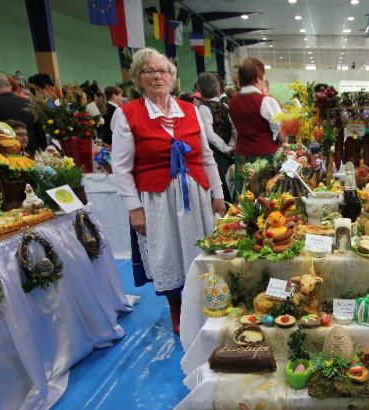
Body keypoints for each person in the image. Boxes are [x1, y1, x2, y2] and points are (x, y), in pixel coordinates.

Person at [111, 47, 226, 335]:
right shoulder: (127, 115)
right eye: (149, 71)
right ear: (139, 77)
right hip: (158, 198)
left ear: (173, 77)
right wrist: (134, 209)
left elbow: (206, 155)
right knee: (169, 255)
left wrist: (218, 193)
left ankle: (209, 305)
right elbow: (121, 168)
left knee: (201, 250)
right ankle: (177, 309)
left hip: (196, 194)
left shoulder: (191, 110)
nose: (157, 76)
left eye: (162, 71)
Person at [228, 57, 284, 193]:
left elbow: (235, 126)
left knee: (245, 200)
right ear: (258, 77)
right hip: (264, 159)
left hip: (242, 158)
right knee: (267, 200)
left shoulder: (233, 101)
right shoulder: (266, 101)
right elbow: (281, 132)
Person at [197, 72, 236, 202]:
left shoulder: (203, 108)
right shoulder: (225, 106)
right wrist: (231, 146)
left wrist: (226, 148)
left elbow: (209, 135)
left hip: (216, 156)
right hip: (229, 152)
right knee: (230, 187)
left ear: (200, 90)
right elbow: (233, 127)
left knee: (221, 189)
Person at [0, 72, 46, 153]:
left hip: (9, 153)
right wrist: (43, 150)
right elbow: (39, 129)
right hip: (32, 151)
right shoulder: (28, 102)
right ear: (10, 86)